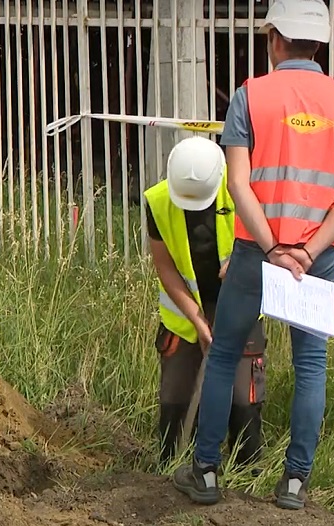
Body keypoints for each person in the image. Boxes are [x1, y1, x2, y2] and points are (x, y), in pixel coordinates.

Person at [172, 0, 334, 511]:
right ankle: (294, 485)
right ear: (320, 43)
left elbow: (237, 182)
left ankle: (207, 472)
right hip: (315, 257)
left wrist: (273, 248)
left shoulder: (249, 96)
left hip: (254, 251)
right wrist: (307, 249)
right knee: (311, 364)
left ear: (275, 40)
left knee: (223, 355)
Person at [143, 136, 266, 470]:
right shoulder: (158, 201)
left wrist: (243, 261)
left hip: (239, 305)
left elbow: (268, 241)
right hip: (184, 316)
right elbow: (165, 268)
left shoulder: (243, 190)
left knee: (243, 398)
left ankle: (246, 475)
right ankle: (171, 471)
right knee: (176, 398)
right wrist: (199, 321)